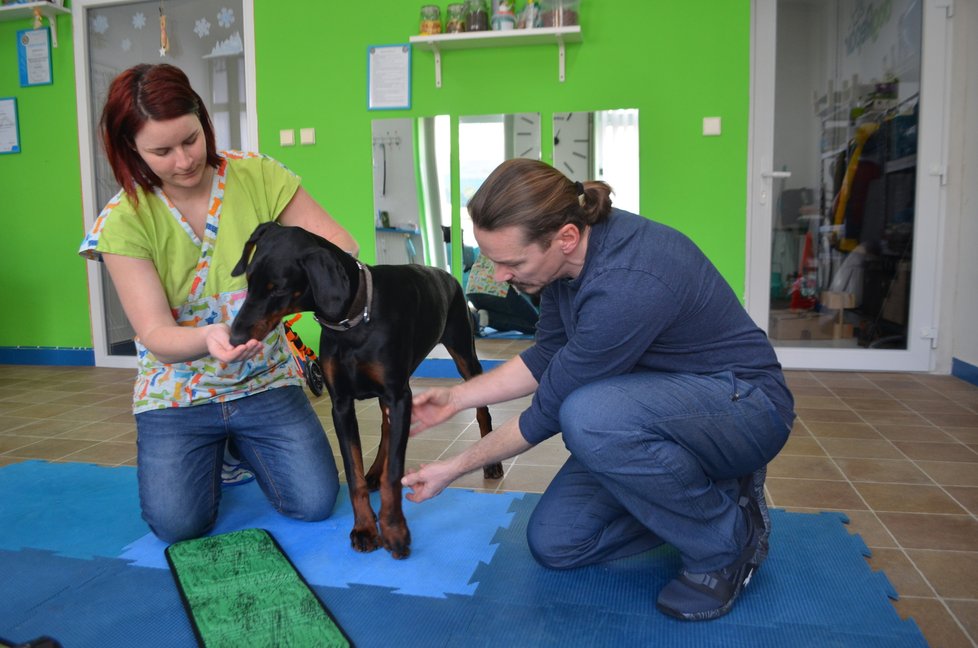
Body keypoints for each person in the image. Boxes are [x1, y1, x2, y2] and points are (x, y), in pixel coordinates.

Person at [402, 158, 794, 621]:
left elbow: (545, 413)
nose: (501, 276)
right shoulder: (562, 269)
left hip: (742, 407)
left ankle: (725, 543)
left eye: (512, 262)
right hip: (663, 411)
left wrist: (454, 468)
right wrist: (456, 398)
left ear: (565, 237)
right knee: (558, 543)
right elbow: (545, 357)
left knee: (587, 416)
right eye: (493, 260)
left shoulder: (627, 283)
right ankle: (712, 491)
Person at [78, 64, 358, 543]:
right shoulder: (123, 220)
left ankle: (239, 445)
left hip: (263, 380)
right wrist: (211, 337)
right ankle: (219, 451)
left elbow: (341, 247)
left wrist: (294, 292)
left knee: (313, 504)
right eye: (161, 151)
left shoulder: (257, 175)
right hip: (179, 391)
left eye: (190, 139)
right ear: (131, 149)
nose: (184, 160)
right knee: (178, 526)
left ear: (202, 120)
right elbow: (157, 338)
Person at [465, 252, 539, 336]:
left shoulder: (490, 240)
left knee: (512, 319)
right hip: (497, 289)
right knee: (538, 325)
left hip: (473, 289)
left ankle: (482, 318)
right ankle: (489, 318)